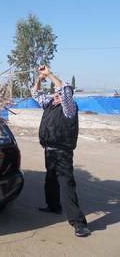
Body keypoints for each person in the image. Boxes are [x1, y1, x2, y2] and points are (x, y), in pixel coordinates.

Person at [32, 66, 91, 237]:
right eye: (56, 94)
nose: (57, 95)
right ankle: (53, 206)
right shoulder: (49, 104)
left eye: (60, 93)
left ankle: (79, 223)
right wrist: (39, 79)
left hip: (62, 152)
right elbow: (35, 95)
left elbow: (63, 90)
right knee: (50, 179)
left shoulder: (69, 107)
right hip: (49, 150)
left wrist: (50, 74)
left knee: (66, 185)